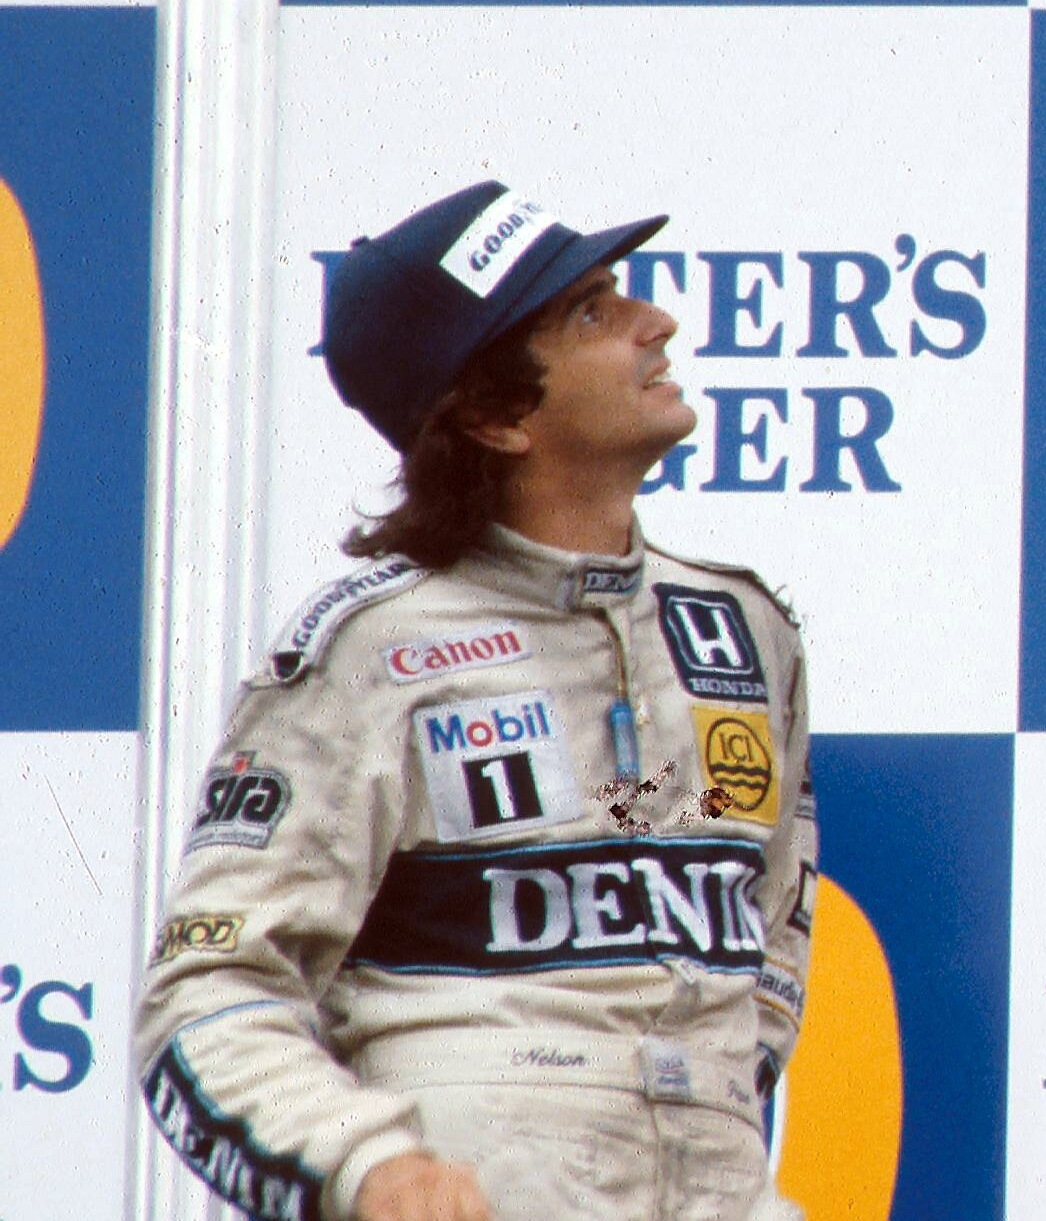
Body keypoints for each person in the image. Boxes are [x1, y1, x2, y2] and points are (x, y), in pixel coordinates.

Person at [136, 182, 813, 1221]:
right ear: (497, 416)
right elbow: (207, 990)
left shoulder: (744, 630)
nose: (658, 322)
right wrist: (370, 1167)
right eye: (591, 311)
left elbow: (770, 944)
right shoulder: (370, 651)